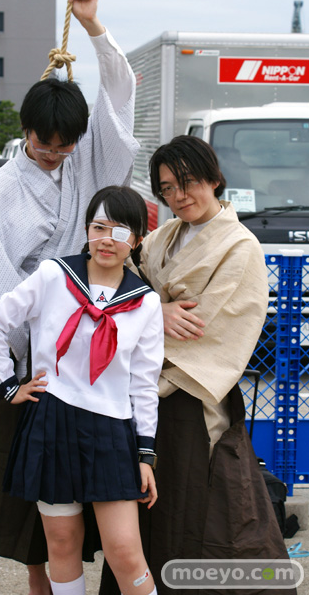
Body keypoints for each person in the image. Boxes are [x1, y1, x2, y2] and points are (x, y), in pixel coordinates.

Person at [0, 0, 139, 595]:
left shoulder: (87, 157)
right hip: (30, 356)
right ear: (24, 129)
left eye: (64, 145)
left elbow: (119, 96)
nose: (54, 154)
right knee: (26, 490)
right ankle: (40, 585)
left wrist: (92, 25)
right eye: (43, 144)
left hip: (92, 347)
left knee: (98, 491)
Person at [100, 136, 293, 595]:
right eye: (167, 188)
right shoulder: (163, 236)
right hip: (142, 389)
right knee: (144, 502)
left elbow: (207, 328)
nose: (178, 196)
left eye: (186, 182)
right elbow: (127, 288)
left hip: (190, 390)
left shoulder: (240, 247)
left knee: (190, 506)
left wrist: (145, 315)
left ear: (213, 178)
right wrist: (155, 309)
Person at [0, 185, 164, 595]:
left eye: (120, 232)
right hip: (52, 421)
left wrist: (146, 453)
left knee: (125, 550)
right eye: (99, 228)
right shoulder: (55, 275)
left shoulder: (146, 302)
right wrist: (8, 386)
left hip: (112, 430)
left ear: (136, 240)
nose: (107, 240)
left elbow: (144, 383)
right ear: (86, 230)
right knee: (62, 544)